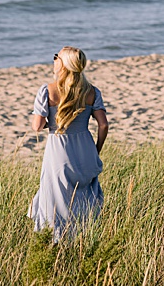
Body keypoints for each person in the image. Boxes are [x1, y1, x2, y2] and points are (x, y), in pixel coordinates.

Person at [28, 46, 108, 241]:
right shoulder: (92, 92)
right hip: (85, 147)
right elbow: (103, 124)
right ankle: (83, 235)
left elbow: (37, 126)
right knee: (83, 195)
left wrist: (53, 122)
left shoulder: (48, 90)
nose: (54, 59)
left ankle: (56, 239)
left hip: (59, 149)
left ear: (63, 64)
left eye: (56, 57)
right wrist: (95, 150)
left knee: (56, 198)